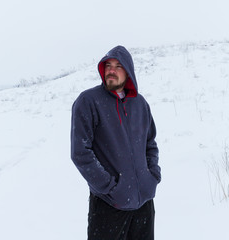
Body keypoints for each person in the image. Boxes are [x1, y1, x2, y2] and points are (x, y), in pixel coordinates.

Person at [71, 45, 161, 240]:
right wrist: (110, 188)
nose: (111, 70)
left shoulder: (140, 104)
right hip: (109, 206)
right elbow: (81, 153)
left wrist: (151, 176)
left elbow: (150, 144)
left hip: (143, 204)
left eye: (118, 66)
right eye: (108, 65)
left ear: (128, 71)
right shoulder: (89, 101)